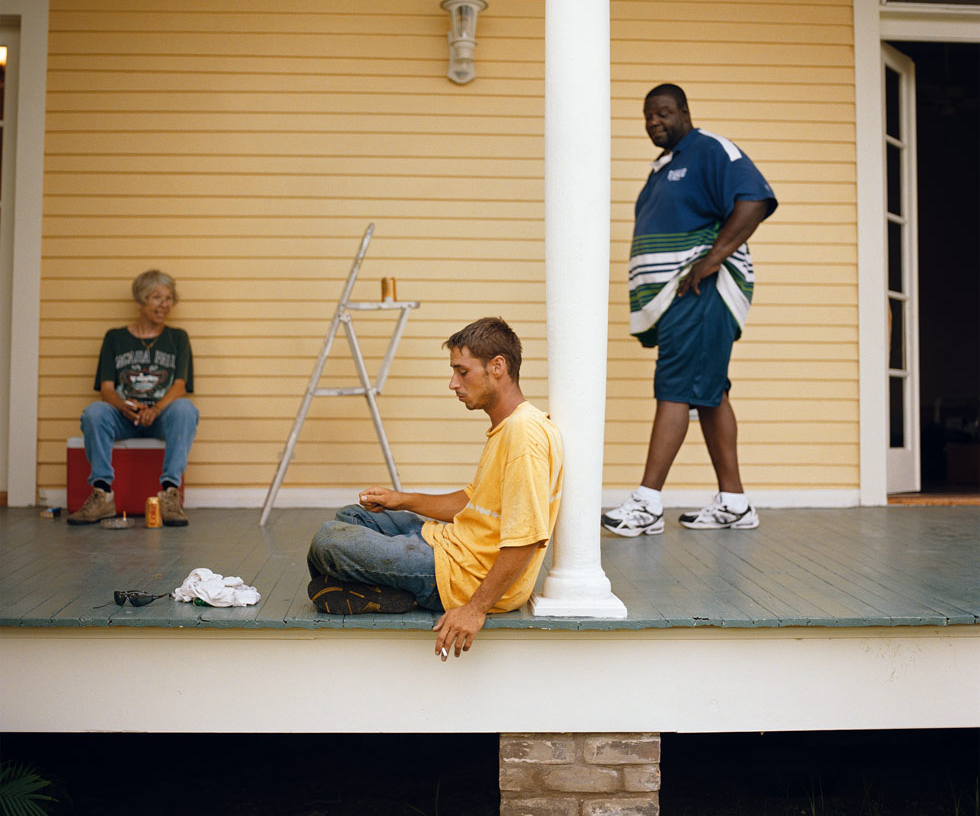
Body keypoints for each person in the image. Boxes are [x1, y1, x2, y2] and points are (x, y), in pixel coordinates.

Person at [306, 317, 563, 661]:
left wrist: (475, 609)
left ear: (497, 367)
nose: (453, 383)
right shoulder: (509, 426)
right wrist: (402, 500)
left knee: (329, 540)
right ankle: (377, 588)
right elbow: (471, 502)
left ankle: (396, 592)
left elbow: (527, 538)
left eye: (462, 371)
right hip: (455, 547)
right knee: (352, 517)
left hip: (464, 576)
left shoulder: (524, 436)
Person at [602, 84, 777, 537]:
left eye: (663, 112)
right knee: (710, 391)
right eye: (648, 116)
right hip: (680, 296)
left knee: (675, 387)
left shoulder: (708, 149)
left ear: (684, 111)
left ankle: (647, 503)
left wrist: (712, 259)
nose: (654, 122)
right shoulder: (665, 165)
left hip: (701, 291)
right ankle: (735, 503)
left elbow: (754, 199)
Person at [68, 269, 198, 527]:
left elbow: (180, 385)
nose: (165, 304)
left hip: (162, 417)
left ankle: (170, 494)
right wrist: (123, 406)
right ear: (139, 302)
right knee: (94, 412)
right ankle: (102, 493)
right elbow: (106, 389)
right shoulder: (115, 338)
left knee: (185, 409)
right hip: (123, 417)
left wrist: (158, 408)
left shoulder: (178, 338)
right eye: (157, 297)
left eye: (169, 298)